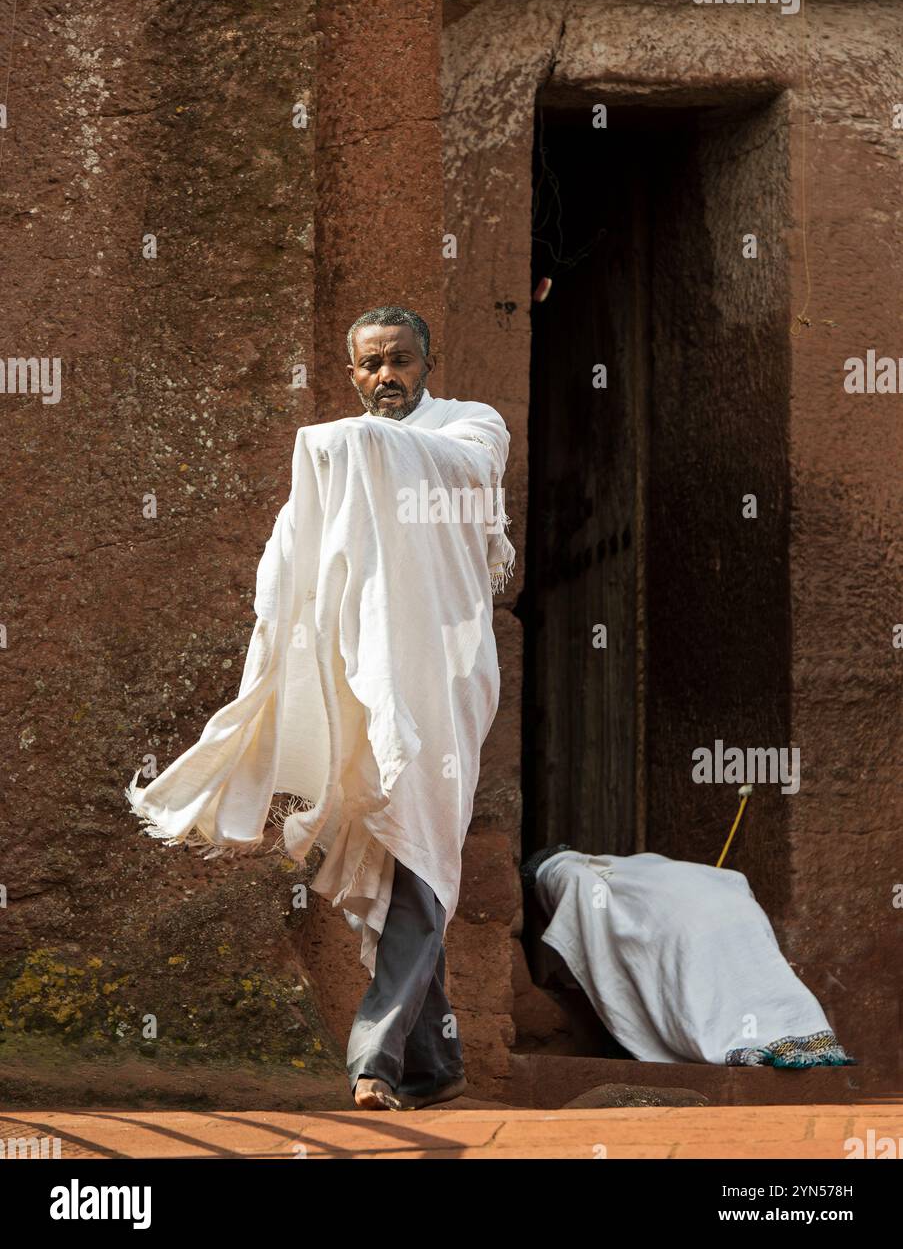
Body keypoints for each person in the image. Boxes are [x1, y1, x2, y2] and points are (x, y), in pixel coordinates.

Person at [127, 305, 515, 1112]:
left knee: (422, 849)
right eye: (369, 365)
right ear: (350, 372)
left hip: (441, 682)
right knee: (406, 850)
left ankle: (373, 1059)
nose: (385, 378)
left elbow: (462, 472)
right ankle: (436, 1065)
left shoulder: (468, 426)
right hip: (359, 680)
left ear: (426, 361)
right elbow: (287, 560)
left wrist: (348, 445)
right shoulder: (338, 450)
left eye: (399, 360)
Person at [522, 845, 855, 1068]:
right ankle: (800, 1031)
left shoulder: (561, 875)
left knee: (700, 997)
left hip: (685, 927)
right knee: (754, 976)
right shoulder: (636, 864)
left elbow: (594, 945)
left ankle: (736, 1043)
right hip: (734, 906)